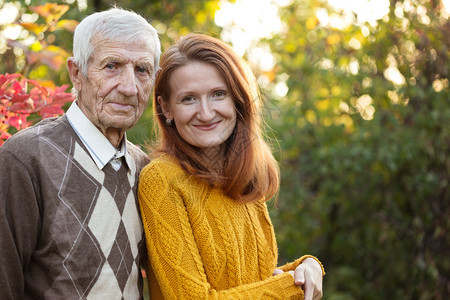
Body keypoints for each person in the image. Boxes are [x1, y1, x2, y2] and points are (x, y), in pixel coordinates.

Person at [138, 33, 325, 300]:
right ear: (166, 108)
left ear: (237, 100)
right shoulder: (162, 180)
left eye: (218, 94)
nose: (205, 113)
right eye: (188, 99)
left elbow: (254, 282)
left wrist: (307, 268)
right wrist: (292, 287)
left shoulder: (243, 177)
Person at [0, 7, 160, 299]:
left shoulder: (145, 170)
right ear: (77, 73)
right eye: (112, 66)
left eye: (142, 70)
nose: (129, 87)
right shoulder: (25, 158)